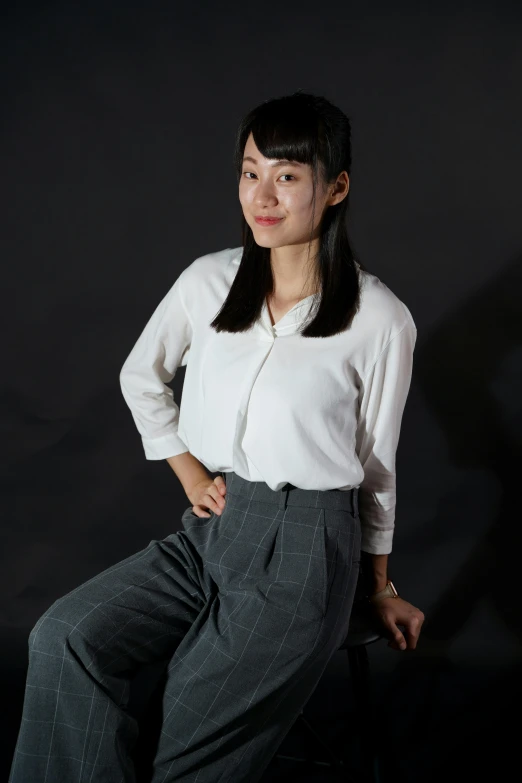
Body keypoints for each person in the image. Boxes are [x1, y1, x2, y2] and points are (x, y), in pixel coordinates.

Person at [9, 90, 424, 783]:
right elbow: (140, 375)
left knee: (184, 738)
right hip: (212, 534)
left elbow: (376, 466)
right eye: (249, 171)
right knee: (65, 638)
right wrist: (191, 474)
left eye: (287, 175)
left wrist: (376, 584)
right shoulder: (208, 282)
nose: (262, 194)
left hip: (306, 554)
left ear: (336, 187)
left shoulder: (380, 319)